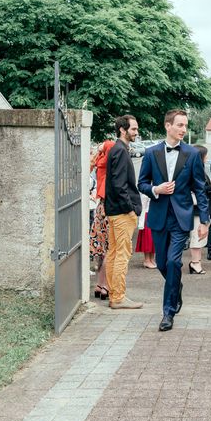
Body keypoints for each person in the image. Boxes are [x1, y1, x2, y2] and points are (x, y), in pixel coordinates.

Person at [137, 109, 210, 332]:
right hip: (159, 215)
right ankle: (175, 285)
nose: (183, 129)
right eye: (179, 125)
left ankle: (168, 313)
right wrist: (156, 189)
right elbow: (141, 183)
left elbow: (200, 188)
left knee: (172, 262)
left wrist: (205, 221)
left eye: (185, 126)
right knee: (161, 263)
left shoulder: (192, 154)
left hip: (181, 216)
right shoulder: (151, 153)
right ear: (168, 126)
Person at [104, 115, 143, 309]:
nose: (136, 132)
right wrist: (131, 209)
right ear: (122, 129)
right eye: (134, 129)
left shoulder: (117, 149)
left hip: (114, 211)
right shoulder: (119, 150)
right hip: (121, 212)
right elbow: (120, 186)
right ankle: (118, 296)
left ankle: (115, 294)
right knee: (122, 254)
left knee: (114, 253)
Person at [89, 140, 115, 300]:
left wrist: (99, 150)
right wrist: (103, 146)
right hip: (108, 206)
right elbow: (112, 145)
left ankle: (99, 284)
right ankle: (105, 285)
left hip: (100, 207)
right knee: (110, 249)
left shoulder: (99, 163)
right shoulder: (108, 164)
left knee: (101, 250)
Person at [189, 145, 211, 274]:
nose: (207, 158)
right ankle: (195, 262)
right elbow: (199, 189)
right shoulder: (195, 171)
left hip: (202, 208)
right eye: (205, 155)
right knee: (197, 235)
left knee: (200, 236)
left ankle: (197, 262)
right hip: (196, 209)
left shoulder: (200, 169)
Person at [135, 193, 156, 268]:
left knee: (154, 239)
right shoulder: (145, 191)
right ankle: (147, 260)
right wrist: (141, 222)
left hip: (154, 214)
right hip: (147, 215)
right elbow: (143, 206)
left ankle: (152, 259)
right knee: (148, 239)